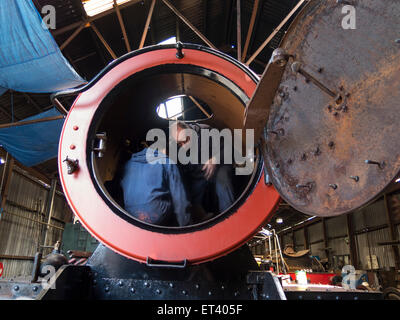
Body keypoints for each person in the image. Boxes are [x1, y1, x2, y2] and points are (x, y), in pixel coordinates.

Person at [170, 121, 235, 216]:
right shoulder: (179, 147)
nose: (184, 145)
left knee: (223, 179)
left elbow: (229, 149)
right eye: (180, 143)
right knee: (187, 191)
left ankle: (229, 216)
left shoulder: (206, 131)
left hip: (220, 166)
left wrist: (214, 160)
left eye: (186, 140)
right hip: (200, 173)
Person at [120, 143, 192, 227]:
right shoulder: (166, 162)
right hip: (156, 215)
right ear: (164, 150)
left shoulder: (127, 164)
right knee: (174, 195)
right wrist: (186, 225)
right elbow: (179, 198)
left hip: (130, 217)